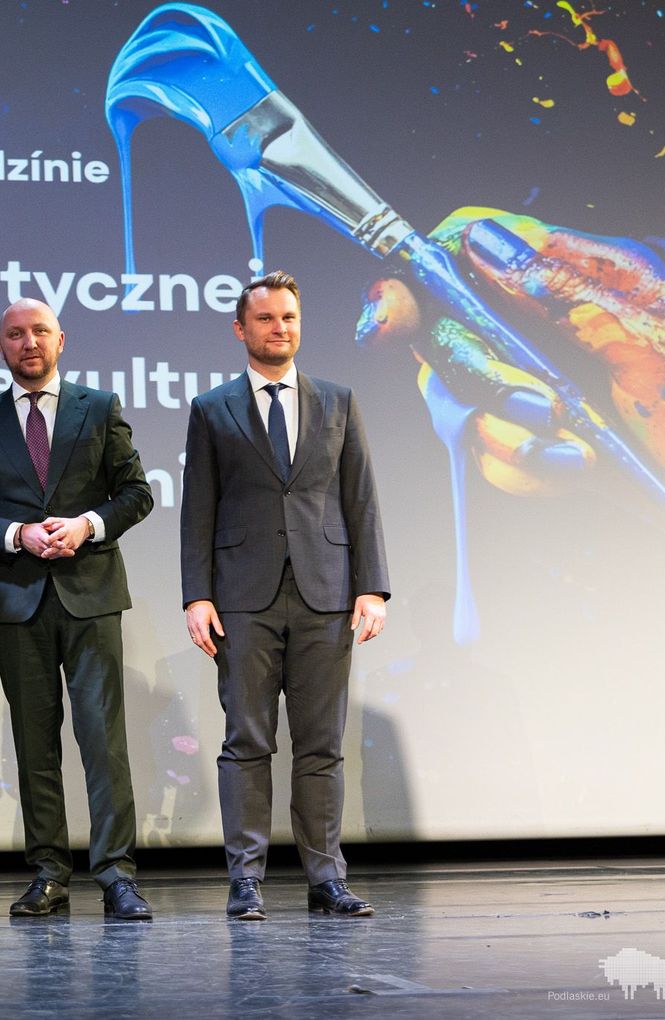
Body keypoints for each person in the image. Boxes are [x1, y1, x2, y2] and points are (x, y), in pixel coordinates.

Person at [181, 270, 390, 921]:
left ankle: (326, 878)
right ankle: (245, 880)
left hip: (327, 593)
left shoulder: (338, 400)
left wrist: (372, 587)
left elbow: (360, 498)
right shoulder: (212, 408)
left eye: (289, 317)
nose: (280, 328)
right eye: (267, 318)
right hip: (243, 599)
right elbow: (198, 509)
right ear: (241, 329)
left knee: (321, 745)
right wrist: (197, 595)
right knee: (246, 742)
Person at [0, 298, 154, 920]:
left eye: (40, 331)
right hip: (17, 600)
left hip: (91, 595)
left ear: (61, 340)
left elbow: (136, 493)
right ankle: (48, 874)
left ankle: (116, 874)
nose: (29, 342)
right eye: (15, 334)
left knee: (103, 739)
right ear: (1, 347)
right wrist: (17, 534)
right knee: (34, 742)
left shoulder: (99, 407)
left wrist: (87, 524)